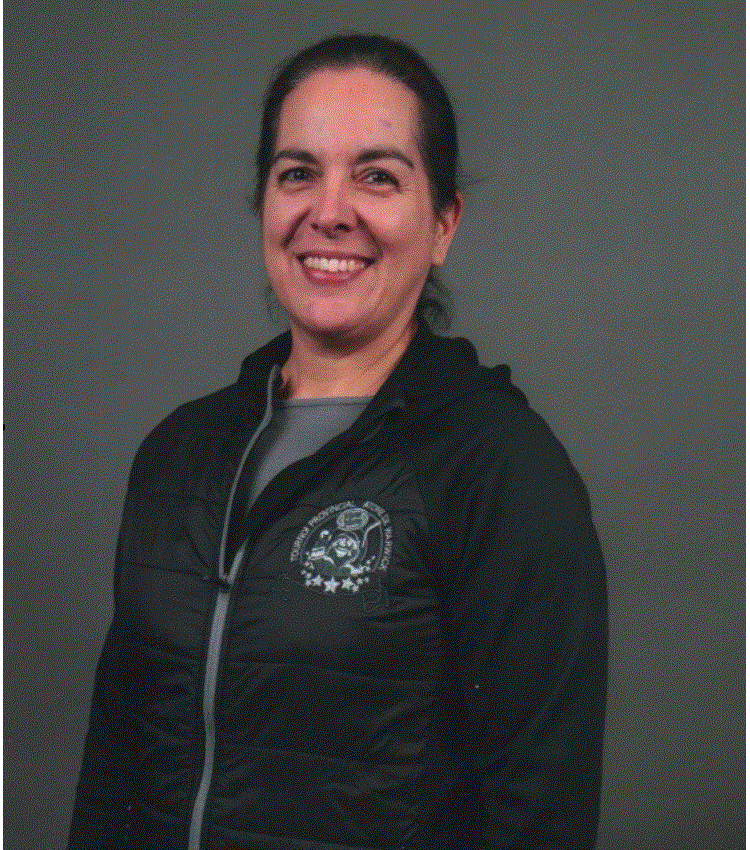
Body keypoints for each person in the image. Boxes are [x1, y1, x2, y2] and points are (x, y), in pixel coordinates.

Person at [69, 33, 607, 850]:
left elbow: (540, 814)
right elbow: (112, 772)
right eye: (298, 173)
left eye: (377, 176)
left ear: (444, 222)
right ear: (263, 202)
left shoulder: (500, 469)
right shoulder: (176, 455)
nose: (329, 210)